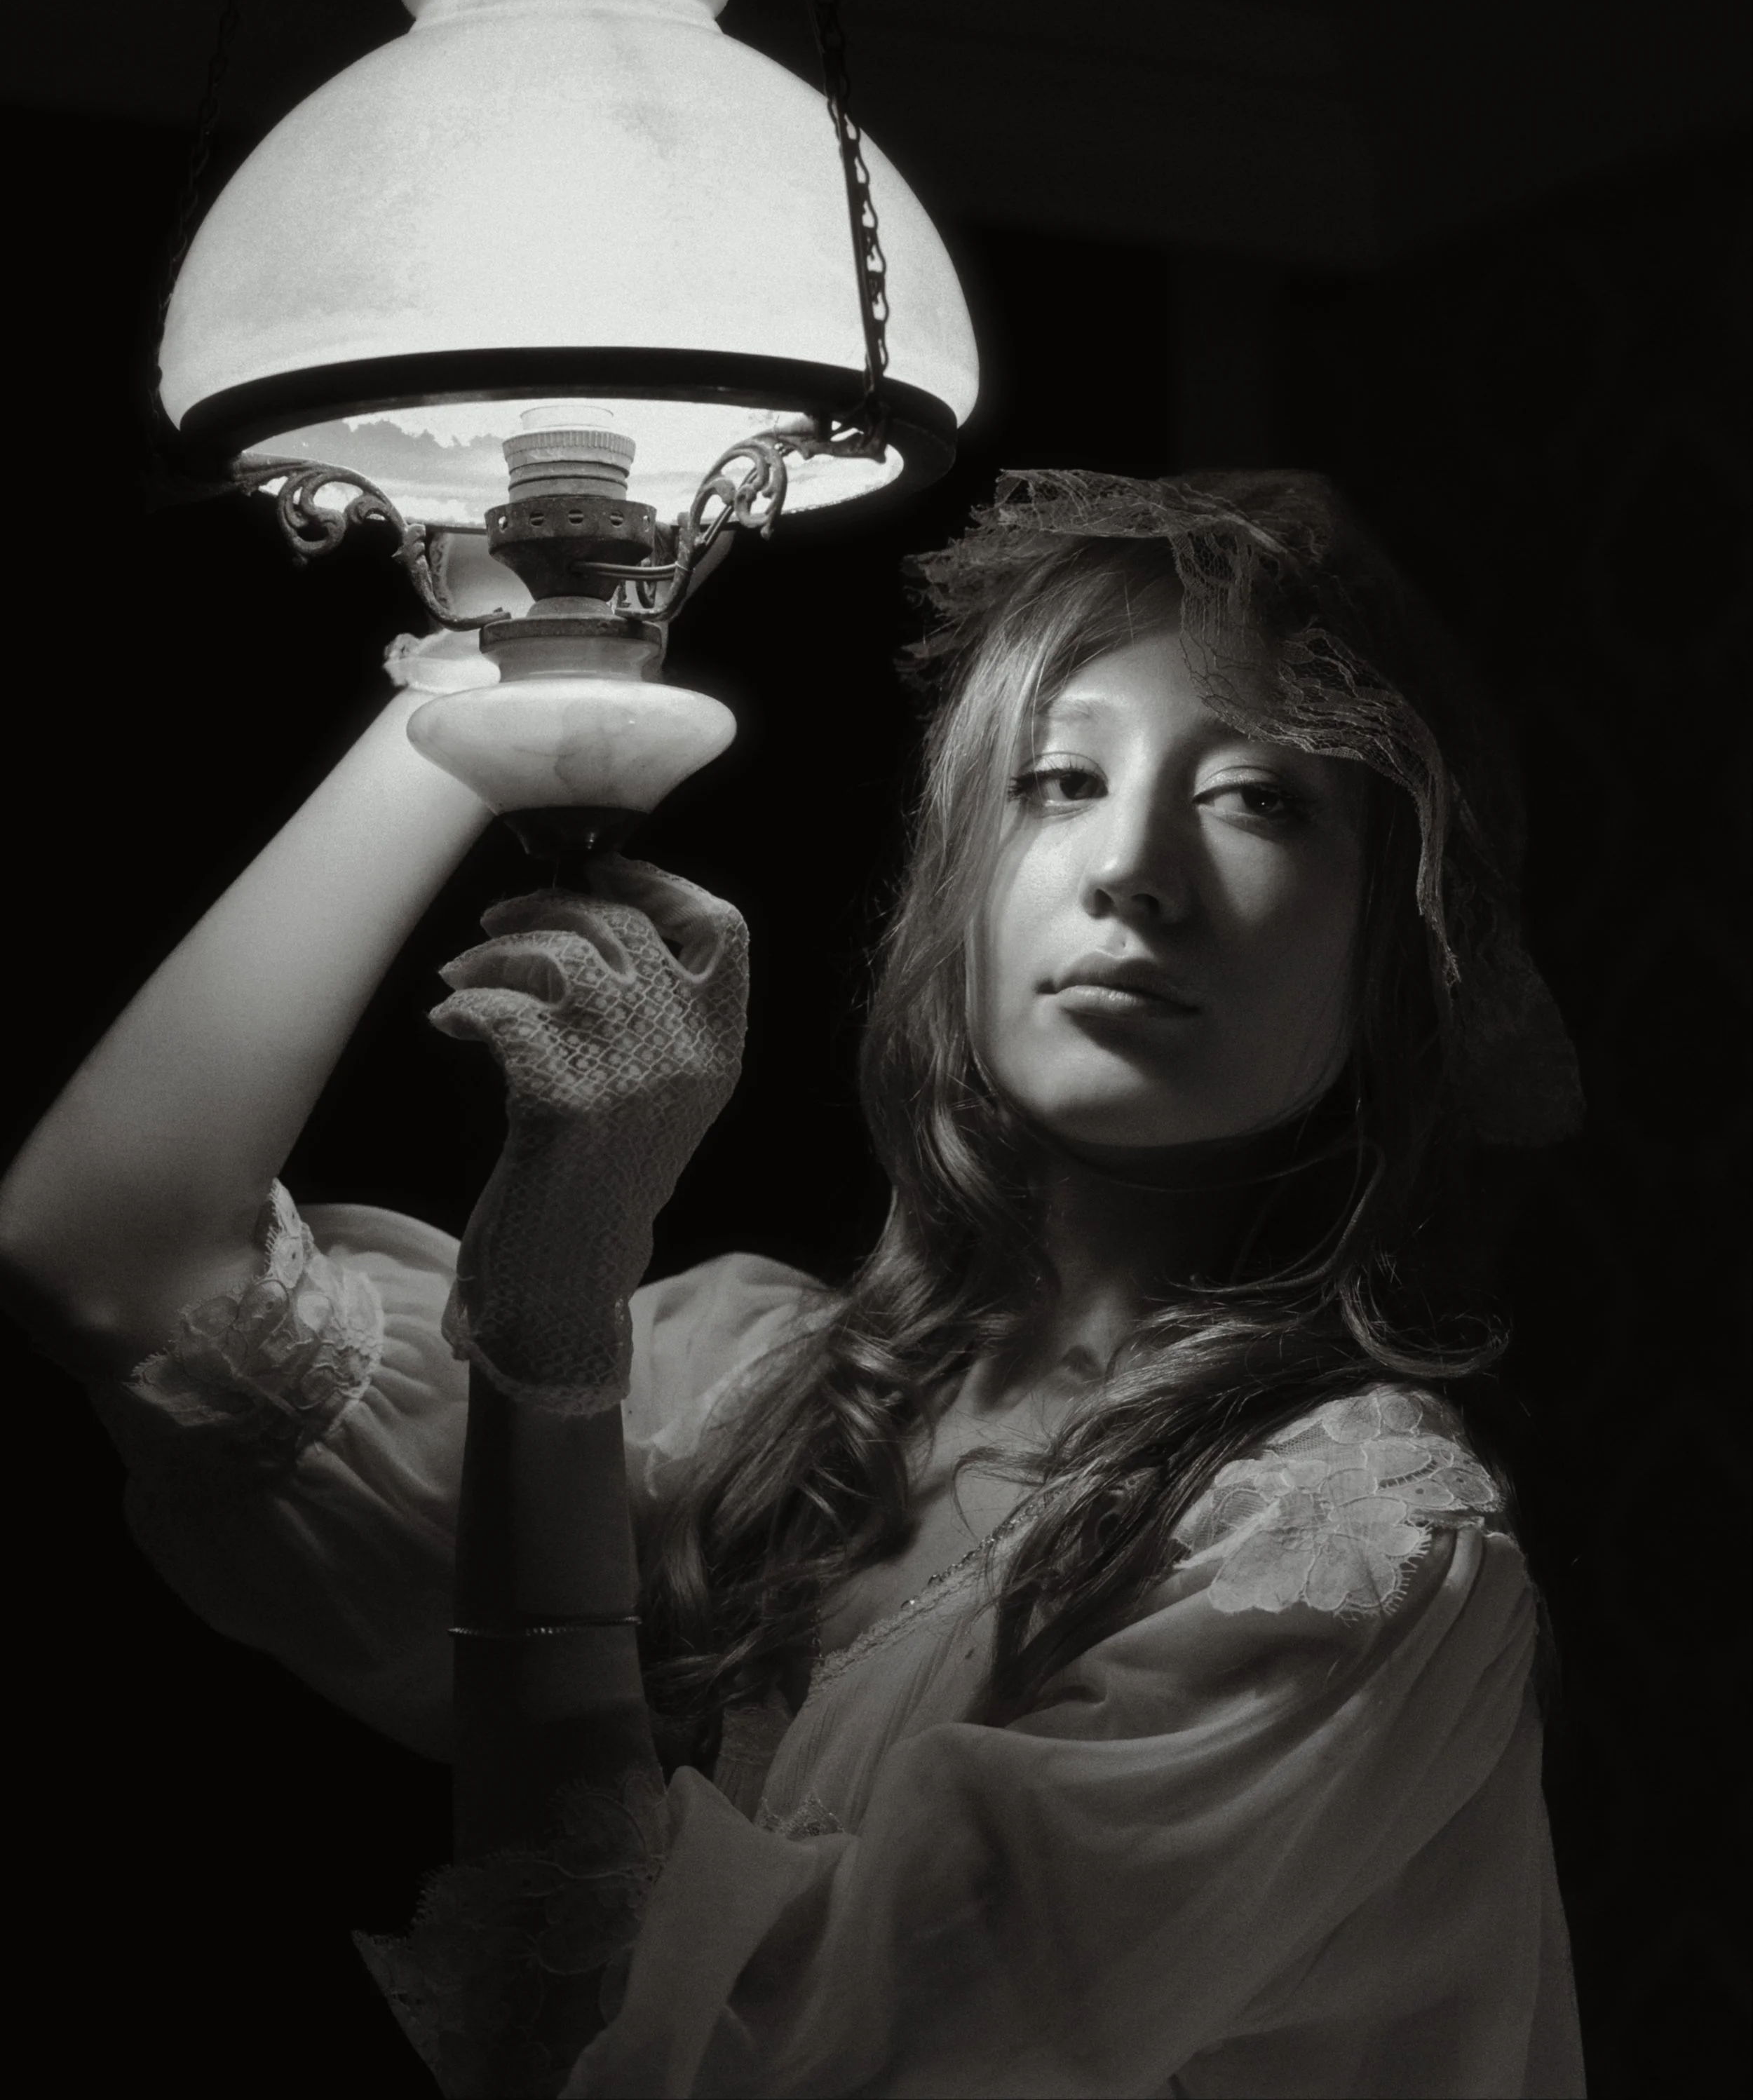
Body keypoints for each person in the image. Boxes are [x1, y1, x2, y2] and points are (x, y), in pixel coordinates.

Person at [0, 468, 1588, 2098]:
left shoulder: (1353, 1548)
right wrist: (484, 675)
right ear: (954, 894)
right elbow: (114, 1260)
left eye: (1257, 796)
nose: (1131, 868)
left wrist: (552, 1355)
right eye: (1054, 779)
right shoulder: (758, 1387)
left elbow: (727, 2061)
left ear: (1404, 945)